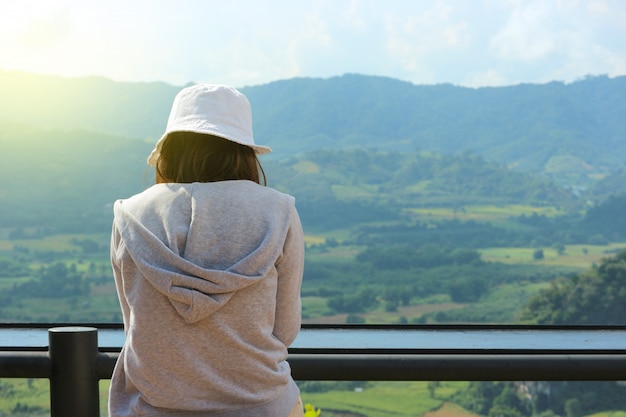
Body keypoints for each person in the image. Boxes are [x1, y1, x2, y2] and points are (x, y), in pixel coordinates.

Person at [108, 84, 305, 417]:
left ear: (169, 150)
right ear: (244, 152)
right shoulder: (279, 211)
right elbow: (284, 329)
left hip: (154, 406)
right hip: (261, 405)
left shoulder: (129, 215)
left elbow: (136, 326)